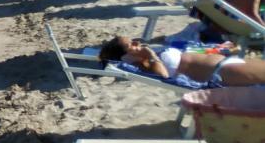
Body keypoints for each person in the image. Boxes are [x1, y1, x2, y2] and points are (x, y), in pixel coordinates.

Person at [98, 35, 265, 86]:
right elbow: (163, 78)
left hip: (228, 64)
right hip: (222, 73)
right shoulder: (145, 65)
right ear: (126, 56)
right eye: (131, 45)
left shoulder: (150, 59)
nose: (137, 43)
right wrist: (150, 55)